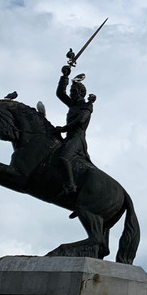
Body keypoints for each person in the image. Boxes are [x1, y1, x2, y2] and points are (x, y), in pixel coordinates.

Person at [55, 65, 96, 197]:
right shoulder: (73, 105)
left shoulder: (86, 106)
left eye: (74, 92)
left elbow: (80, 121)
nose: (71, 94)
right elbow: (60, 93)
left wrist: (63, 129)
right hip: (69, 137)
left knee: (63, 159)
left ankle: (70, 186)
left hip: (77, 139)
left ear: (80, 93)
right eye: (71, 92)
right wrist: (65, 76)